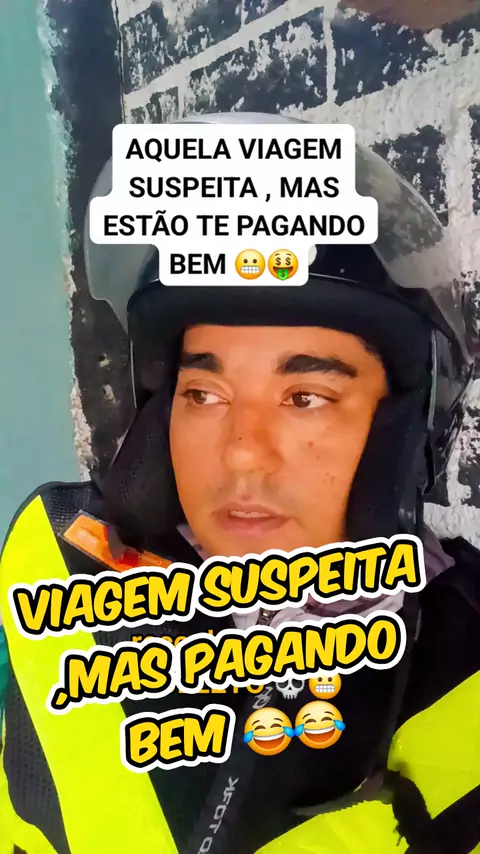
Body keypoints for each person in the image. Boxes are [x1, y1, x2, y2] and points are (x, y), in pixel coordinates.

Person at [0, 112, 479, 854]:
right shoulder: (59, 588)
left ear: (402, 435)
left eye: (306, 396)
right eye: (204, 394)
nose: (242, 455)